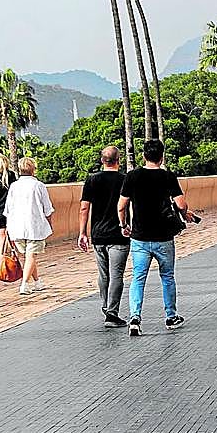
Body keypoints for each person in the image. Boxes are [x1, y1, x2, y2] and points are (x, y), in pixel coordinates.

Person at [118, 139, 194, 336]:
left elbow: (121, 206)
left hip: (140, 237)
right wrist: (184, 214)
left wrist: (124, 225)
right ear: (162, 156)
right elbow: (181, 204)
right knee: (167, 276)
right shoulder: (168, 176)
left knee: (138, 277)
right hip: (163, 237)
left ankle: (135, 318)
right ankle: (171, 316)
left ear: (144, 156)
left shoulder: (132, 176)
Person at [78, 146, 130, 327]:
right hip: (119, 233)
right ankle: (112, 313)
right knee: (117, 275)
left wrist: (82, 232)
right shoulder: (125, 180)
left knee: (103, 274)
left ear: (102, 161)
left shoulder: (92, 180)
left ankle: (106, 306)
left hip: (98, 235)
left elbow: (84, 208)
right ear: (118, 160)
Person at [3, 157, 54, 296]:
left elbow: (8, 209)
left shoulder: (14, 186)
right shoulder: (38, 186)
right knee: (31, 255)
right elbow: (47, 208)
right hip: (34, 226)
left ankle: (37, 282)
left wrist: (8, 227)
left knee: (28, 256)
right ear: (33, 169)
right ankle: (24, 284)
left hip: (17, 227)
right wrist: (49, 223)